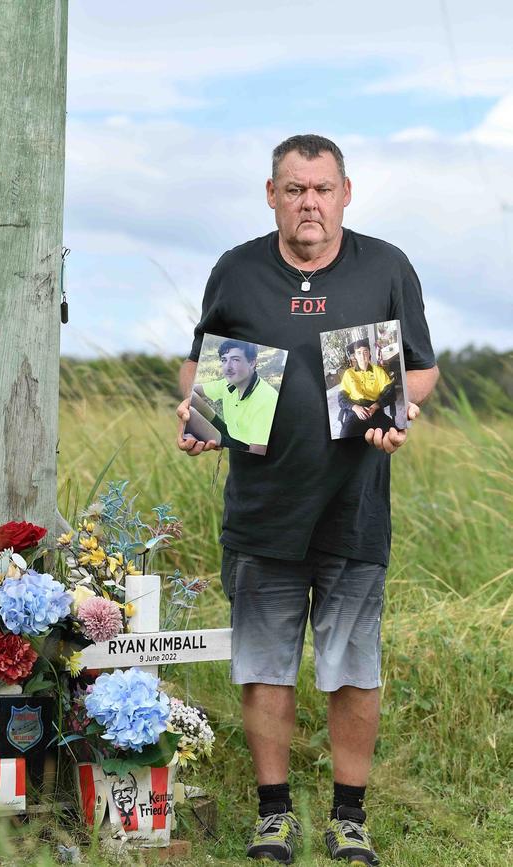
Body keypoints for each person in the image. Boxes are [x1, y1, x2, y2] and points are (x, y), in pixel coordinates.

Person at [176, 134, 439, 865]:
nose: (310, 203)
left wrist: (396, 412)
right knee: (264, 664)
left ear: (345, 193)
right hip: (262, 510)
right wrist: (199, 416)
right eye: (295, 190)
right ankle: (273, 814)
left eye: (322, 188)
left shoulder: (385, 266)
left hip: (354, 508)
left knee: (353, 666)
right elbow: (204, 367)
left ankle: (349, 817)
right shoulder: (237, 269)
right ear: (272, 195)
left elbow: (420, 373)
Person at [186, 339, 279, 455]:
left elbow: (256, 454)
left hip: (244, 446)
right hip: (230, 433)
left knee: (190, 413)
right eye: (224, 360)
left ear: (252, 363)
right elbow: (191, 390)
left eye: (235, 360)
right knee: (191, 396)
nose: (227, 367)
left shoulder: (267, 399)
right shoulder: (228, 383)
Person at [337, 339, 396, 438]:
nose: (362, 356)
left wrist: (376, 406)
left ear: (369, 353)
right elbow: (341, 398)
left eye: (365, 352)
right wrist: (355, 408)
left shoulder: (378, 371)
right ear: (355, 356)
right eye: (358, 353)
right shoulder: (349, 374)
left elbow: (391, 393)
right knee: (345, 437)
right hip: (355, 411)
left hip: (374, 409)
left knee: (393, 435)